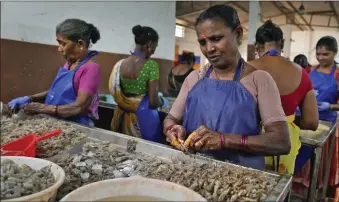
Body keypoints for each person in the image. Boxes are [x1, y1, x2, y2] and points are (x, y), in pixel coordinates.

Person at [163, 5, 290, 171]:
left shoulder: (259, 80)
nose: (209, 49)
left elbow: (281, 141)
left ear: (237, 34)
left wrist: (225, 140)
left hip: (240, 180)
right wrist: (172, 129)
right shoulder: (194, 78)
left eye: (216, 38)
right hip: (191, 170)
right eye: (203, 42)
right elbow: (170, 119)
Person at [249, 20, 319, 175]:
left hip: (249, 144)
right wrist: (288, 120)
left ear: (256, 46)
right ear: (282, 43)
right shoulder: (302, 74)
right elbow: (312, 122)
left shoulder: (244, 70)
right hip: (283, 146)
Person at [7, 19, 101, 126]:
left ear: (80, 44)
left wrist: (42, 108)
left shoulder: (91, 68)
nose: (59, 49)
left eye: (63, 44)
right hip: (57, 121)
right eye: (58, 43)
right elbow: (56, 92)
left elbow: (79, 107)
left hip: (77, 125)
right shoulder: (69, 64)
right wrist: (30, 98)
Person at [293, 36, 339, 195]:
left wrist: (331, 106)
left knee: (315, 160)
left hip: (324, 122)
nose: (321, 58)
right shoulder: (309, 70)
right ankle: (294, 187)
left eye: (325, 54)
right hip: (303, 118)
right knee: (297, 153)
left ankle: (312, 190)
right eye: (318, 54)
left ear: (334, 53)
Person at [109, 25, 168, 141]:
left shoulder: (120, 64)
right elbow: (152, 101)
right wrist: (162, 101)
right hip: (141, 120)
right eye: (155, 46)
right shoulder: (151, 65)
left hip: (121, 117)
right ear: (150, 45)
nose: (154, 50)